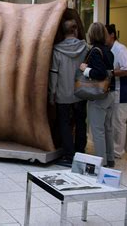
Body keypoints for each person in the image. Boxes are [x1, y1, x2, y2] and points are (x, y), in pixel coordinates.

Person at [49, 19, 88, 166]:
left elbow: (54, 74)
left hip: (62, 93)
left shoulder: (56, 50)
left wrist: (52, 93)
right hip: (81, 92)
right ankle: (80, 152)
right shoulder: (85, 47)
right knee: (80, 122)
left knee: (64, 123)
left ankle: (69, 155)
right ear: (75, 30)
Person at [79, 22, 115, 167]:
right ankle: (110, 158)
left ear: (91, 34)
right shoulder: (109, 51)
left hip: (99, 95)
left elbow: (99, 74)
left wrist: (85, 69)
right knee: (108, 128)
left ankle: (101, 163)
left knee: (97, 130)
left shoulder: (95, 51)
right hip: (110, 93)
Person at [106, 24, 127, 159]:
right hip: (115, 91)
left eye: (105, 34)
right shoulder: (110, 49)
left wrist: (109, 73)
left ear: (112, 35)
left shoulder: (121, 49)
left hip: (123, 92)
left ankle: (117, 152)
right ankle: (113, 150)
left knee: (119, 123)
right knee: (114, 122)